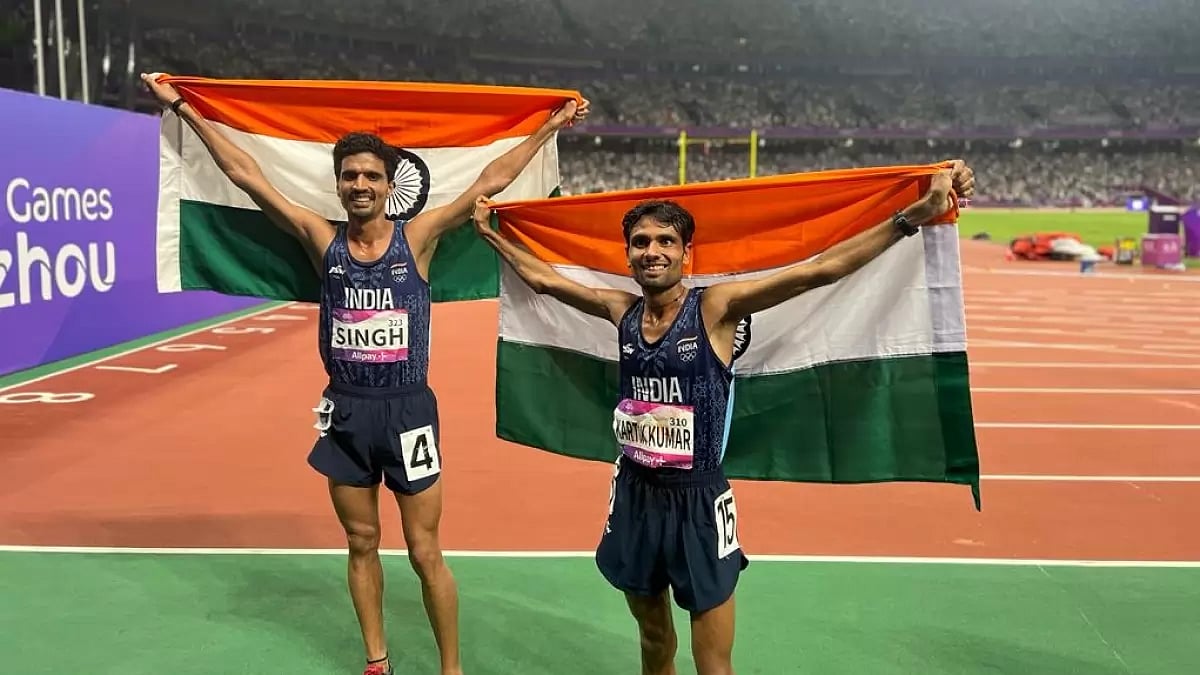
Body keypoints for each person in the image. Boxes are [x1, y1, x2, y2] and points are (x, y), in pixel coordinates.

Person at [140, 72, 588, 675]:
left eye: (371, 175)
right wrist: (187, 110)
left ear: (389, 185)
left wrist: (549, 126)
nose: (359, 184)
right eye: (349, 175)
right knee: (361, 543)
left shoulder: (419, 239)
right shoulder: (319, 239)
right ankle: (377, 661)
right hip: (346, 410)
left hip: (407, 410)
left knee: (426, 551)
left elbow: (489, 182)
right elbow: (247, 176)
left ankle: (450, 668)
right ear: (338, 184)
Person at [469, 161, 975, 675]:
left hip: (698, 500)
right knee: (652, 642)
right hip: (635, 494)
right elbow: (542, 280)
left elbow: (818, 271)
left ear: (688, 254)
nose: (652, 252)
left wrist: (913, 216)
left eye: (665, 241)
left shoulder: (715, 308)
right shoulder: (620, 310)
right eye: (641, 242)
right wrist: (489, 232)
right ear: (627, 255)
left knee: (713, 663)